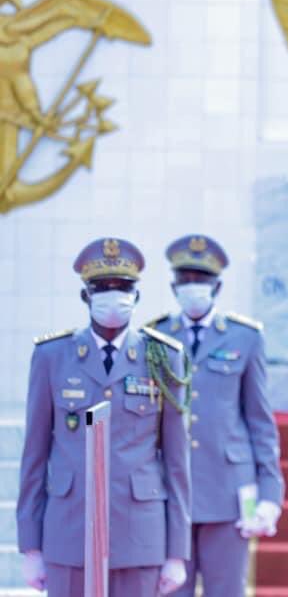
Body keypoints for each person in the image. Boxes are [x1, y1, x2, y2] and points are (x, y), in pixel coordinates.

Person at [16, 237, 191, 596]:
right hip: (69, 533)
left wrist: (176, 553)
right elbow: (34, 456)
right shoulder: (53, 356)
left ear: (137, 296)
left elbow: (176, 461)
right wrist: (30, 546)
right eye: (103, 288)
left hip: (139, 535)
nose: (114, 297)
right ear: (86, 296)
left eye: (123, 287)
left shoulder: (162, 357)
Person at [148, 234, 284, 597]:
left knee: (226, 590)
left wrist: (270, 493)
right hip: (169, 488)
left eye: (202, 280)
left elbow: (259, 420)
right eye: (186, 280)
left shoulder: (245, 338)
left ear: (217, 285)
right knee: (168, 590)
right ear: (174, 285)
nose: (194, 287)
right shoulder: (155, 337)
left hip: (228, 489)